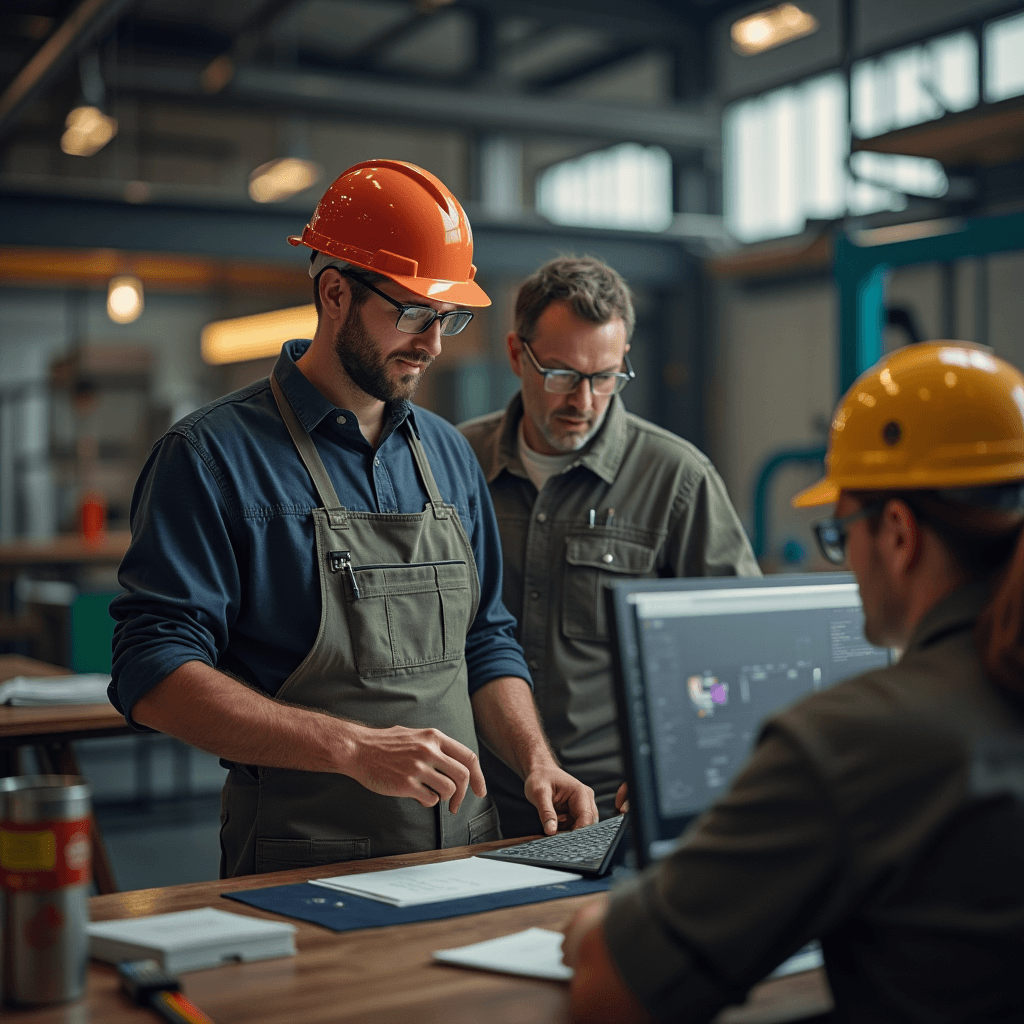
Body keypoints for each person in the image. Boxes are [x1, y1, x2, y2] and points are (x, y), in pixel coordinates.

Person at [109, 160, 596, 878]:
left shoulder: (449, 456)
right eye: (413, 313)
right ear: (334, 292)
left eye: (448, 318)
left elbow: (486, 641)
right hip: (303, 862)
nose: (434, 342)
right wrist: (352, 748)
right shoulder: (211, 457)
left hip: (464, 852)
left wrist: (535, 762)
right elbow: (152, 673)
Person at [562, 340, 1024, 1022]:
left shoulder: (854, 739)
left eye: (840, 535)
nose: (846, 560)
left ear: (898, 533)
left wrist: (602, 923)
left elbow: (614, 989)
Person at [459, 256, 759, 834]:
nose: (586, 401)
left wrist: (681, 764)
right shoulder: (453, 465)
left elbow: (732, 651)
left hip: (607, 814)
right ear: (518, 354)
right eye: (563, 374)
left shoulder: (676, 479)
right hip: (472, 810)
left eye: (605, 377)